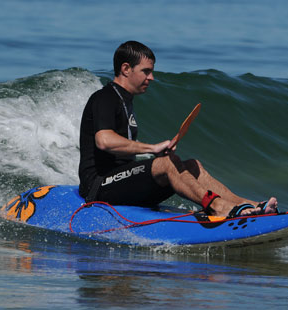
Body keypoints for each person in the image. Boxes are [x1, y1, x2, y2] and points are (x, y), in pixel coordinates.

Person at [78, 41, 277, 218]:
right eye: (146, 71)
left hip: (122, 182)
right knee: (165, 163)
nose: (152, 77)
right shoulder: (105, 97)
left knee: (192, 165)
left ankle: (243, 204)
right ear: (126, 68)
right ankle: (217, 207)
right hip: (99, 186)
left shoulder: (125, 101)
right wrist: (152, 148)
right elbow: (104, 140)